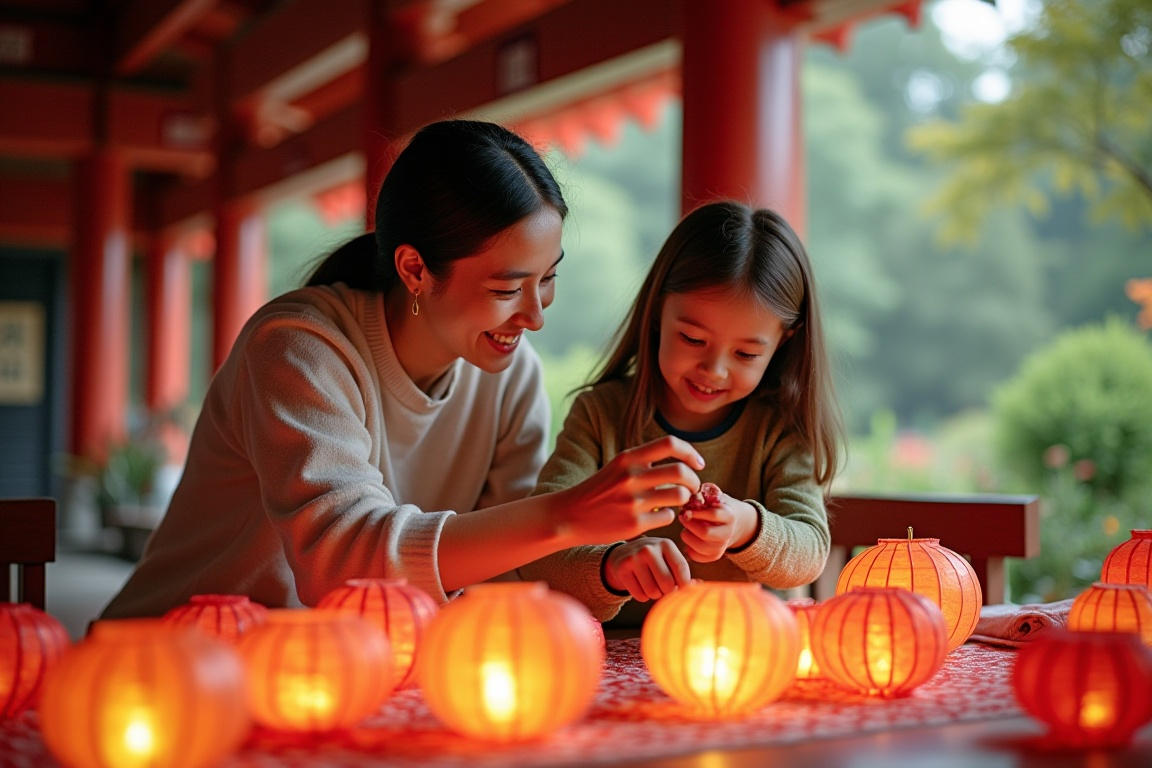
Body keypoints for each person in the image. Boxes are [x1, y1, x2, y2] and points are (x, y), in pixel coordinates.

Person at [101, 120, 703, 619]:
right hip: (175, 659)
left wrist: (604, 562)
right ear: (414, 269)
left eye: (548, 279)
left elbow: (510, 570)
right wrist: (566, 515)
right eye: (506, 288)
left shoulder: (511, 375)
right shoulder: (298, 347)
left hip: (350, 670)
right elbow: (340, 565)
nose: (535, 316)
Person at [518, 201, 843, 625]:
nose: (714, 370)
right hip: (611, 655)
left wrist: (744, 527)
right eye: (692, 339)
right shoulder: (601, 415)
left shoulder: (779, 429)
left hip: (741, 651)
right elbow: (539, 550)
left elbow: (810, 551)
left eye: (746, 353)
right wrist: (614, 566)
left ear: (783, 343)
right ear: (657, 313)